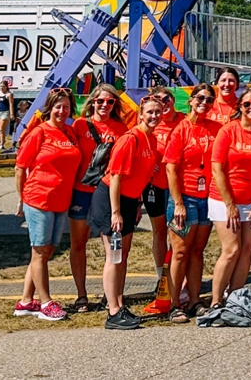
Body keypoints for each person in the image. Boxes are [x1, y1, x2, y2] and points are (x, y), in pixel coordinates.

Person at [89, 93, 164, 330]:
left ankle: (119, 303)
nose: (154, 116)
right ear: (140, 115)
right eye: (149, 112)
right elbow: (117, 177)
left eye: (158, 112)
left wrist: (138, 203)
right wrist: (116, 212)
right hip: (112, 198)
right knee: (113, 255)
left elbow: (141, 175)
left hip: (131, 200)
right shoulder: (130, 139)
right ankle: (112, 312)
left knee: (123, 255)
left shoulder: (151, 139)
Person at [13, 88, 82, 321]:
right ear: (49, 108)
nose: (62, 111)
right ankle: (45, 302)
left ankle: (25, 301)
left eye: (65, 107)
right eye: (57, 107)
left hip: (61, 200)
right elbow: (20, 167)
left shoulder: (70, 133)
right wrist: (22, 199)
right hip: (39, 197)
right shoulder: (39, 133)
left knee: (46, 251)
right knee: (41, 251)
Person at [208, 86, 251, 310]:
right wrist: (230, 205)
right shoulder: (228, 131)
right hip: (223, 199)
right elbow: (217, 169)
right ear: (240, 107)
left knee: (247, 249)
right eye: (247, 104)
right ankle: (216, 301)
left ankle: (234, 300)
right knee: (232, 249)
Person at [162, 83, 221, 322]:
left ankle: (195, 299)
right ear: (190, 100)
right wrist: (178, 202)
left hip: (206, 198)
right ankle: (174, 303)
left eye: (209, 99)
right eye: (200, 98)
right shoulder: (181, 130)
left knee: (197, 251)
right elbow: (170, 169)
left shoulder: (216, 128)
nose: (203, 103)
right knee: (180, 252)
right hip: (184, 197)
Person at [69, 84, 128, 314]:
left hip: (106, 193)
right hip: (81, 191)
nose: (104, 105)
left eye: (110, 101)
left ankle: (111, 295)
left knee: (111, 246)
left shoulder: (121, 128)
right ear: (92, 101)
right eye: (100, 101)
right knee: (78, 243)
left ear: (115, 104)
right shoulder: (79, 125)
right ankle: (81, 295)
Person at [144, 88, 183, 279]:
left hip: (179, 187)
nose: (162, 102)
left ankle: (178, 276)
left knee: (179, 235)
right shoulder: (152, 124)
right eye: (157, 100)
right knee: (159, 232)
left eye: (166, 98)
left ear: (173, 99)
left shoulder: (184, 121)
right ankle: (162, 278)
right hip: (156, 187)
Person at [0, 80, 15, 151]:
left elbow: (11, 104)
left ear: (6, 87)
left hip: (5, 112)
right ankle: (1, 140)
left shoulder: (9, 94)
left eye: (3, 86)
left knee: (1, 129)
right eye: (1, 86)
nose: (2, 88)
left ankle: (1, 144)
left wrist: (11, 114)